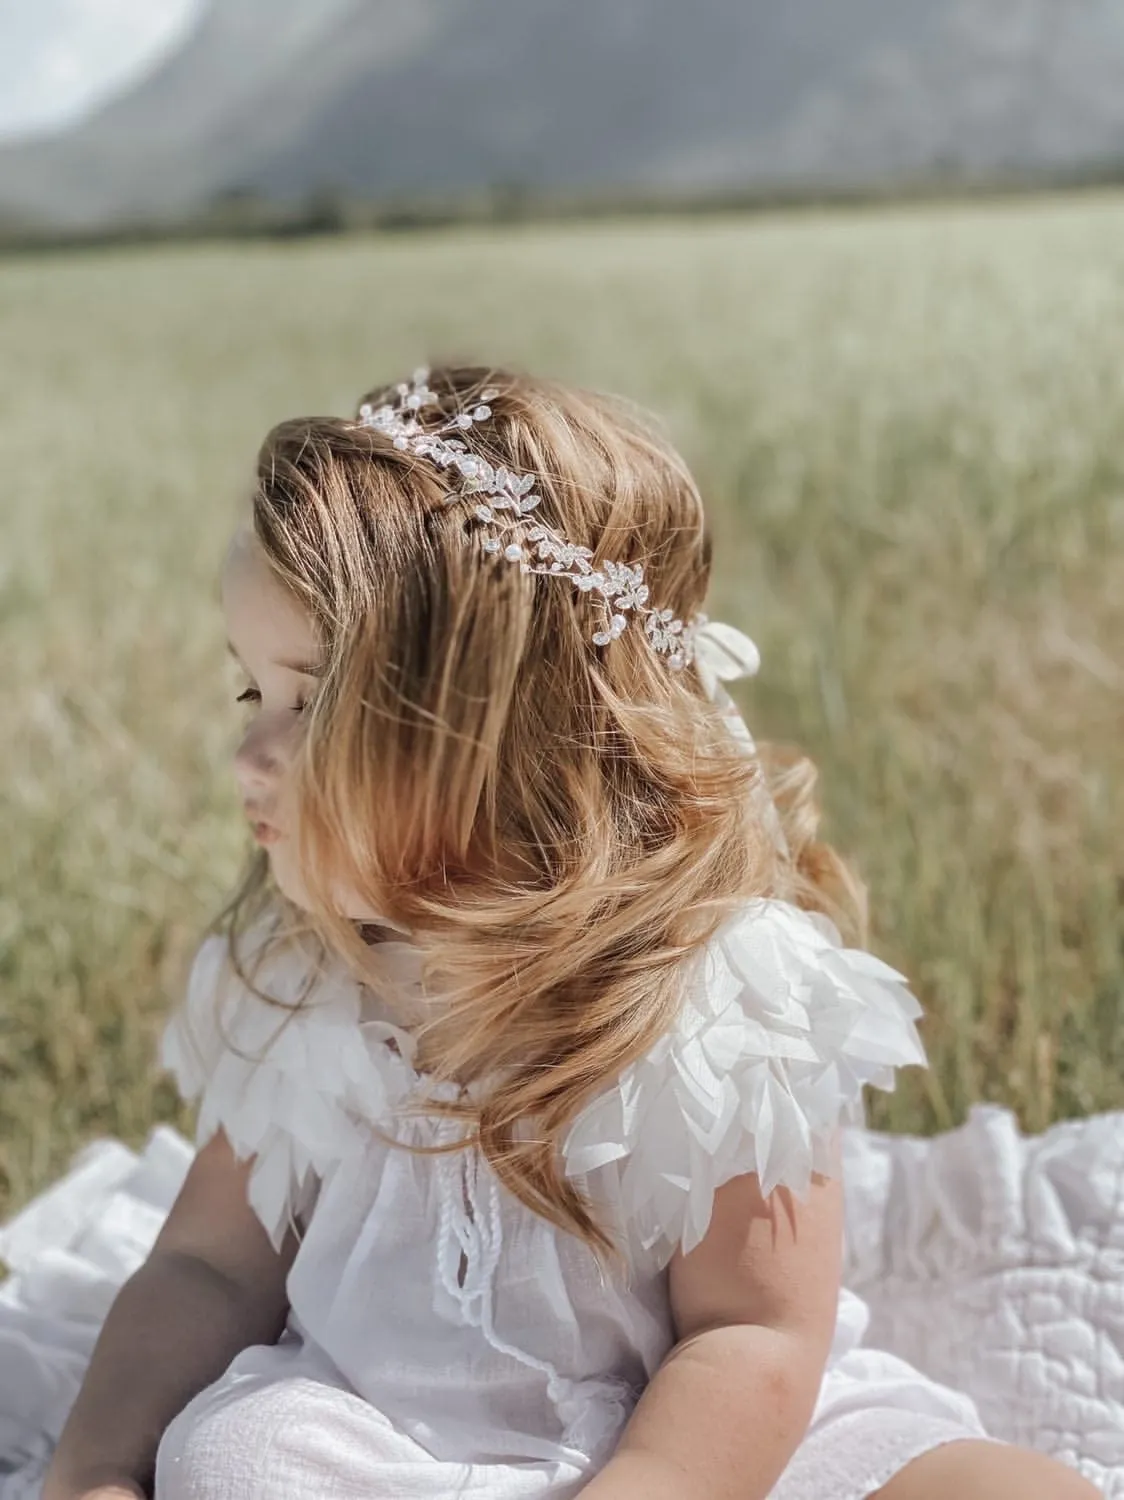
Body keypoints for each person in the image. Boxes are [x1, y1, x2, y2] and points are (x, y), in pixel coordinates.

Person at [25, 365, 1098, 1499]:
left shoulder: (708, 999)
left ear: (494, 728)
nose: (249, 756)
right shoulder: (316, 979)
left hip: (695, 1443)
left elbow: (752, 1336)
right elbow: (206, 1267)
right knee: (235, 1456)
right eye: (251, 696)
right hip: (385, 1432)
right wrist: (92, 1468)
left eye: (307, 703)